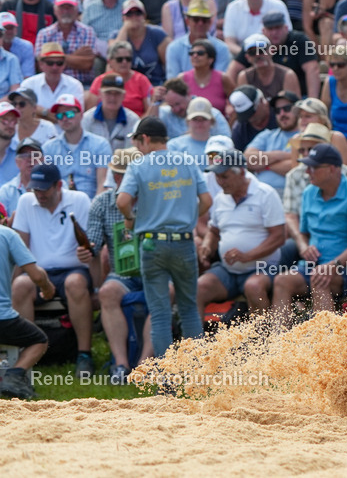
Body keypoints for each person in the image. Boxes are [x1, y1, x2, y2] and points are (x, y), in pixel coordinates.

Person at [117, 117, 212, 358]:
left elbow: (122, 201)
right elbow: (207, 201)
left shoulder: (138, 165)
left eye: (137, 142)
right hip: (184, 242)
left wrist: (131, 218)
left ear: (145, 138)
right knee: (189, 309)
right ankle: (197, 372)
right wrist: (190, 217)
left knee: (160, 314)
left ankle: (166, 375)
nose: (137, 147)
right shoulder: (188, 161)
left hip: (152, 243)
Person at [271, 143, 347, 326]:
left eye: (313, 167)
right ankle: (279, 341)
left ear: (332, 169)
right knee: (282, 281)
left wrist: (333, 265)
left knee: (319, 279)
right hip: (315, 265)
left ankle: (325, 340)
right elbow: (303, 233)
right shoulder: (309, 193)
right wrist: (304, 247)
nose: (307, 171)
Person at [12, 164, 94, 377]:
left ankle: (84, 354)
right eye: (35, 189)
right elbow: (21, 248)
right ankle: (26, 354)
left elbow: (90, 244)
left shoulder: (80, 200)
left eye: (44, 189)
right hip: (38, 271)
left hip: (74, 269)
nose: (39, 194)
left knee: (75, 283)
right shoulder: (25, 202)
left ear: (58, 186)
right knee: (19, 286)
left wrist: (86, 253)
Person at [197, 149, 285, 317]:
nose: (220, 182)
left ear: (242, 173)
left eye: (224, 176)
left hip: (263, 267)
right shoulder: (220, 198)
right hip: (228, 270)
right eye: (217, 177)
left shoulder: (265, 194)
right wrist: (207, 246)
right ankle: (195, 335)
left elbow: (278, 237)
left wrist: (247, 256)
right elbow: (214, 231)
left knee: (253, 287)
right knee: (198, 288)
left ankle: (264, 334)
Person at [92, 148, 151, 385]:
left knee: (165, 291)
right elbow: (93, 245)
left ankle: (144, 366)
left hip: (154, 270)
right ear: (116, 177)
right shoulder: (102, 203)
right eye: (125, 175)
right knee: (107, 292)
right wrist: (87, 249)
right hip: (121, 274)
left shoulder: (156, 200)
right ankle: (121, 364)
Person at [0, 210, 54, 398]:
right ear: (5, 220)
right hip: (3, 320)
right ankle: (14, 376)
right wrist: (47, 288)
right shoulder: (7, 235)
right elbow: (36, 275)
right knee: (39, 340)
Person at [42, 93, 112, 198]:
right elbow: (46, 184)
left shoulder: (100, 145)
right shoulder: (48, 148)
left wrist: (94, 207)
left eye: (70, 114)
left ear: (81, 115)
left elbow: (103, 184)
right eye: (60, 116)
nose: (65, 118)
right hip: (59, 203)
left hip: (92, 202)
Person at [243, 91, 300, 194]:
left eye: (287, 108)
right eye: (277, 111)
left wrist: (265, 166)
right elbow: (247, 159)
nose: (282, 114)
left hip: (289, 193)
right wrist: (281, 155)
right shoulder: (267, 135)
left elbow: (297, 168)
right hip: (260, 192)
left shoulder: (305, 136)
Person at [81, 73, 140, 152]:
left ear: (124, 96)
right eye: (108, 93)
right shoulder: (86, 119)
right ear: (100, 94)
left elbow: (133, 152)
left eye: (117, 93)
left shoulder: (133, 120)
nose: (112, 98)